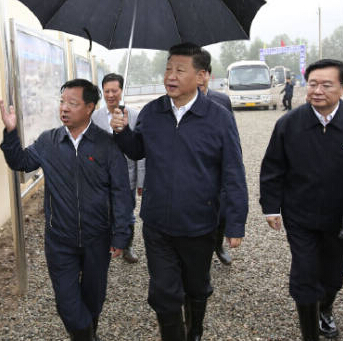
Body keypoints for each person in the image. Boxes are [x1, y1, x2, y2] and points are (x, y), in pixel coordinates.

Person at [110, 43, 249, 341]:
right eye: (168, 68)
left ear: (201, 76)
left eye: (179, 70)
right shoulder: (152, 111)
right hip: (158, 222)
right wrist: (121, 132)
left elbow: (234, 173)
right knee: (164, 291)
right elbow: (137, 150)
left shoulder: (218, 117)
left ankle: (195, 329)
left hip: (199, 224)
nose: (170, 76)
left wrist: (236, 223)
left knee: (196, 286)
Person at [259, 59, 343, 341]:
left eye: (326, 85)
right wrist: (271, 207)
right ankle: (310, 333)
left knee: (332, 276)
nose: (317, 90)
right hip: (300, 217)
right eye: (313, 84)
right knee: (305, 275)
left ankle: (325, 309)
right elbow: (272, 170)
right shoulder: (288, 124)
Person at [0, 79, 134, 341]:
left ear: (90, 108)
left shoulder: (107, 144)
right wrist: (10, 132)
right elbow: (20, 162)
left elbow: (120, 191)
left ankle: (86, 332)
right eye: (62, 101)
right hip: (60, 239)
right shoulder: (49, 141)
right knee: (66, 301)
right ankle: (85, 335)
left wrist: (120, 235)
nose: (64, 108)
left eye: (73, 103)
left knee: (94, 297)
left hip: (98, 237)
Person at [91, 73, 145, 264]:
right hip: (101, 176)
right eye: (107, 91)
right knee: (103, 211)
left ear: (121, 91)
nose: (111, 95)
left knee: (126, 211)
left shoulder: (134, 115)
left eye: (115, 90)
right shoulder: (95, 117)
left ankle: (127, 245)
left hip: (126, 175)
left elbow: (140, 151)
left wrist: (140, 181)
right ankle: (105, 243)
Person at [198, 62, 236, 266]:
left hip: (218, 165)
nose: (200, 77)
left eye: (204, 73)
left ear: (208, 76)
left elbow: (232, 135)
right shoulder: (179, 102)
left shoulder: (222, 100)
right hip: (195, 166)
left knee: (221, 210)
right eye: (197, 72)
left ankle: (218, 246)